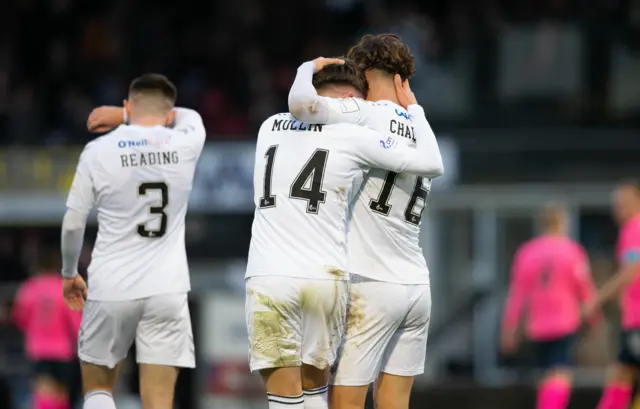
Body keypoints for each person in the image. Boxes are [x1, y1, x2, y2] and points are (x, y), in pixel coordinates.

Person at [246, 58, 443, 409]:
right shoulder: (356, 136)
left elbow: (299, 106)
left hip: (270, 275)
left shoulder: (268, 126)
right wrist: (414, 112)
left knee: (284, 399)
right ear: (348, 97)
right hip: (328, 277)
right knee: (317, 395)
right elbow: (430, 162)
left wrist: (306, 66)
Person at [60, 73, 206, 409]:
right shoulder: (185, 141)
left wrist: (69, 273)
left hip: (111, 284)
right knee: (159, 401)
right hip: (167, 288)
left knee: (98, 389)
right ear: (169, 115)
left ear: (128, 104)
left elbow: (72, 224)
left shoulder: (98, 150)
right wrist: (125, 116)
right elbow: (190, 116)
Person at [500, 203, 599, 409]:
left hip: (537, 324)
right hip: (564, 321)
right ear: (562, 223)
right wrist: (594, 319)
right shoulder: (572, 251)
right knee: (560, 372)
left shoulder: (527, 252)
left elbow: (517, 294)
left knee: (546, 372)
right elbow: (585, 289)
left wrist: (510, 328)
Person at [584, 182, 640, 409]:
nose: (618, 209)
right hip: (633, 319)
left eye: (623, 203)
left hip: (637, 321)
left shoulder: (634, 230)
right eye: (615, 205)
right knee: (622, 374)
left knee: (621, 375)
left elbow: (631, 271)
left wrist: (596, 299)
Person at [13, 249, 82, 409]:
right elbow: (76, 323)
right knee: (61, 395)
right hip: (63, 351)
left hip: (38, 350)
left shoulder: (29, 288)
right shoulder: (66, 288)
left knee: (44, 395)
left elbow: (20, 318)